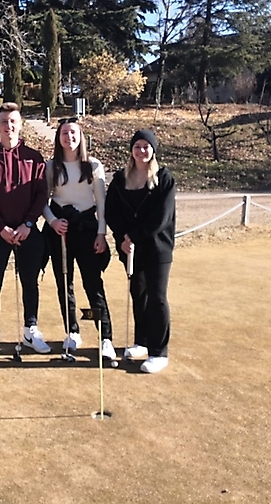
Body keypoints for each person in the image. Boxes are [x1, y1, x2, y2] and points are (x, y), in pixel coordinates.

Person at [0, 102, 50, 357]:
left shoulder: (34, 157)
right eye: (4, 122)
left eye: (13, 121)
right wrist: (1, 228)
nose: (9, 126)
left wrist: (28, 223)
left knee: (30, 282)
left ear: (20, 124)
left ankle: (30, 329)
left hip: (27, 231)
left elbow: (41, 194)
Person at [42, 118, 115, 359]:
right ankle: (72, 332)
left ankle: (105, 337)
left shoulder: (93, 166)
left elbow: (102, 203)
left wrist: (101, 233)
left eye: (73, 132)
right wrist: (53, 221)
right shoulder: (51, 167)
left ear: (80, 136)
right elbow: (42, 201)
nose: (69, 137)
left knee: (92, 284)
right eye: (64, 133)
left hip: (87, 230)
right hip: (60, 232)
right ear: (59, 137)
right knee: (65, 284)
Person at [105, 129, 175, 374]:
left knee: (157, 297)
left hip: (157, 247)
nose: (141, 151)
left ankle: (159, 352)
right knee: (139, 294)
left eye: (146, 146)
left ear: (153, 150)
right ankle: (142, 342)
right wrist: (122, 238)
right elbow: (111, 211)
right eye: (137, 146)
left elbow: (162, 217)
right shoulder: (120, 178)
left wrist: (133, 235)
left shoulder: (164, 178)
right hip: (130, 248)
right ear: (131, 150)